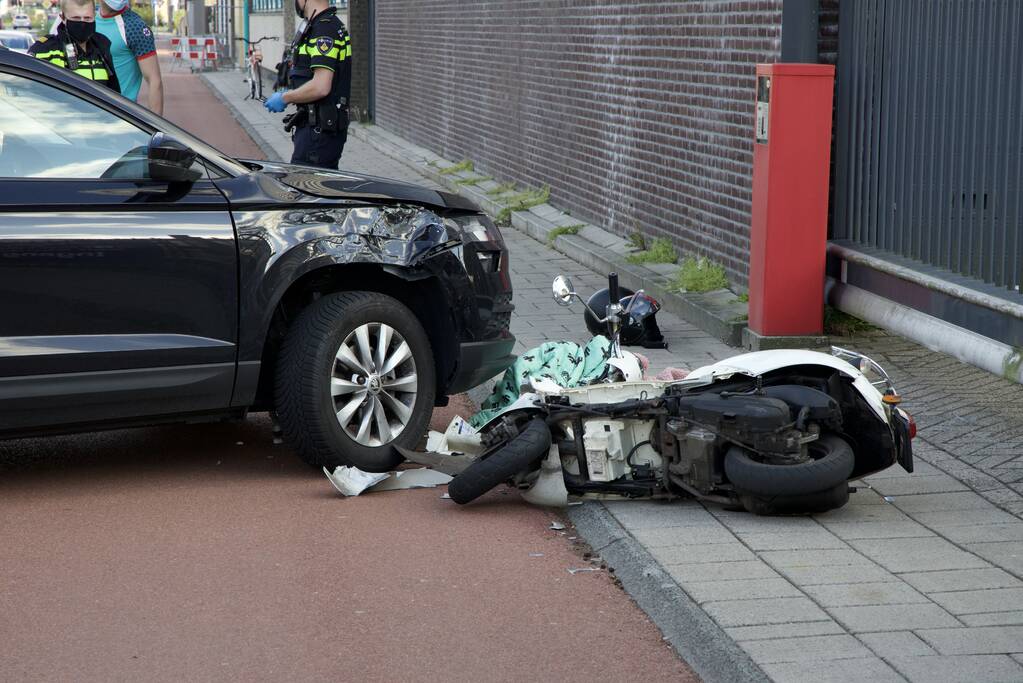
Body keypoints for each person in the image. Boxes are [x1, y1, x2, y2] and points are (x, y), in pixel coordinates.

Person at [263, 0, 351, 169]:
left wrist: (285, 97)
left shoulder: (323, 30)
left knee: (305, 189)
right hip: (317, 130)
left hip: (318, 134)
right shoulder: (322, 25)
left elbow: (321, 86)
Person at [29, 0, 120, 93]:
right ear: (63, 18)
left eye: (87, 18)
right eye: (76, 18)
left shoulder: (101, 46)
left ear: (94, 16)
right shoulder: (44, 50)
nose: (82, 23)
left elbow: (112, 91)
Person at [95, 0, 162, 114]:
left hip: (122, 115)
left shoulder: (135, 27)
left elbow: (154, 81)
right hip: (89, 110)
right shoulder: (87, 20)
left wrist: (157, 128)